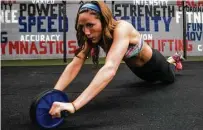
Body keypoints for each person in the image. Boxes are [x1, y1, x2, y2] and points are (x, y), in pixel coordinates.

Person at [49, 1, 184, 118]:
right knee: (149, 82)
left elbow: (110, 68)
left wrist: (74, 106)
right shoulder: (92, 36)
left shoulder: (122, 28)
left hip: (155, 64)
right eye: (82, 26)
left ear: (103, 20)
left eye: (90, 25)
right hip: (138, 71)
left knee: (169, 79)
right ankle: (172, 59)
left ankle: (174, 60)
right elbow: (76, 62)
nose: (86, 32)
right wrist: (53, 95)